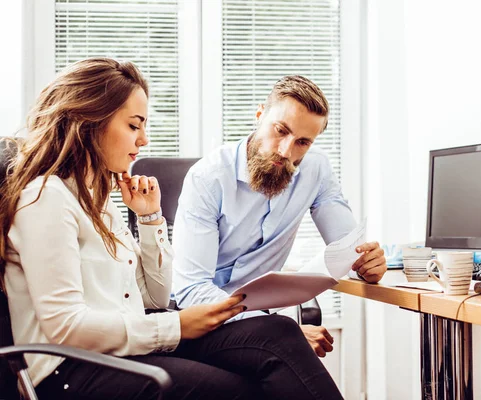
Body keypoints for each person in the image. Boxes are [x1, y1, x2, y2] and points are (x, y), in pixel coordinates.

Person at [0, 59, 343, 400]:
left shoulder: (97, 200)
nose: (144, 139)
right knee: (244, 390)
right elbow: (65, 327)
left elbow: (155, 297)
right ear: (91, 121)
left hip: (124, 352)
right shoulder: (46, 199)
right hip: (71, 372)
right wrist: (176, 326)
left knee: (278, 333)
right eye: (134, 126)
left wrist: (150, 221)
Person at [172, 75, 388, 357]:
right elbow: (191, 290)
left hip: (259, 322)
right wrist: (274, 329)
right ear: (260, 114)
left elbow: (347, 248)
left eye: (302, 142)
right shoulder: (208, 178)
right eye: (280, 131)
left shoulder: (316, 169)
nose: (286, 151)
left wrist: (365, 262)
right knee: (289, 348)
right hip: (202, 319)